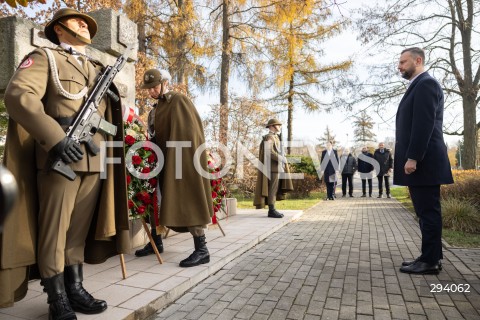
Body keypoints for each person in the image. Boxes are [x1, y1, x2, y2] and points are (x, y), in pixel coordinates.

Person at [0, 8, 130, 319]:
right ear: (58, 29)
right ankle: (56, 296)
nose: (84, 24)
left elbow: (109, 118)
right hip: (60, 156)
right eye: (76, 20)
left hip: (93, 159)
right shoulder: (45, 58)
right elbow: (19, 96)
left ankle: (76, 288)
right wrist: (56, 139)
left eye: (86, 22)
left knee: (76, 233)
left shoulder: (97, 67)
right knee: (54, 231)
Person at [141, 68, 213, 268]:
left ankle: (202, 249)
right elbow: (154, 136)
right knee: (154, 198)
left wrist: (178, 159)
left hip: (182, 161)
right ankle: (156, 241)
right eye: (148, 89)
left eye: (154, 87)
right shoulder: (156, 110)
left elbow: (189, 133)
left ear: (164, 83)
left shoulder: (178, 101)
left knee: (188, 199)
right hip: (162, 161)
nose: (151, 92)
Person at [395, 47, 453, 275]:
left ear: (418, 60)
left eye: (403, 61)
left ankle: (430, 261)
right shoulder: (419, 85)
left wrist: (413, 157)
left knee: (428, 212)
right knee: (425, 212)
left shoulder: (426, 84)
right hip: (423, 163)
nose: (399, 66)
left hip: (424, 162)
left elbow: (424, 124)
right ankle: (430, 256)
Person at [254, 119, 293, 218]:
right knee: (272, 189)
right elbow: (269, 152)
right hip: (273, 168)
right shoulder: (270, 137)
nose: (279, 127)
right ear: (272, 126)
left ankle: (272, 208)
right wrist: (281, 158)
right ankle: (272, 210)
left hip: (276, 167)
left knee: (274, 189)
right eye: (278, 125)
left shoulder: (275, 137)